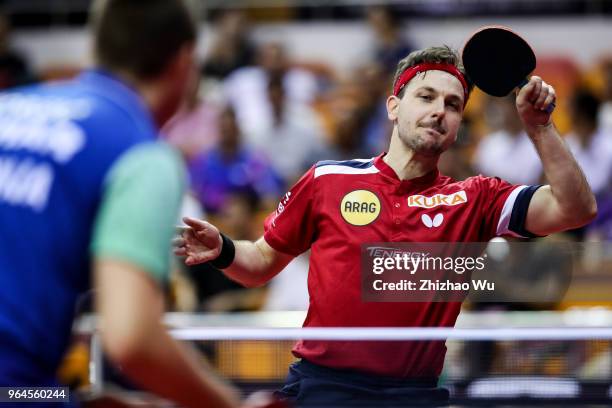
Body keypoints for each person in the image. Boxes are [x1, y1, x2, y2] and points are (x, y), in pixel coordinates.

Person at [175, 46, 597, 407]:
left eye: (452, 105)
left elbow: (574, 208)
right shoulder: (327, 180)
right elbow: (261, 262)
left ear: (457, 126)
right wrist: (225, 249)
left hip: (414, 395)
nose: (439, 111)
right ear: (394, 106)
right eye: (426, 97)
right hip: (326, 391)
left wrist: (540, 129)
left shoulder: (475, 199)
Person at [0, 1, 239, 407]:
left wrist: (70, 400)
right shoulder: (140, 152)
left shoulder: (9, 106)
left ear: (97, 49)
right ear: (184, 62)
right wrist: (226, 404)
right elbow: (131, 337)